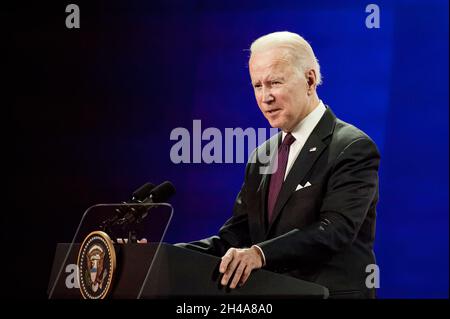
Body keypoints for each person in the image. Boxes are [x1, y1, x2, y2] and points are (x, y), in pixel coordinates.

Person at [177, 31, 380, 299]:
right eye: (257, 86)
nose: (265, 97)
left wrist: (260, 254)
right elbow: (235, 238)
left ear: (309, 80)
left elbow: (334, 229)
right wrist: (159, 255)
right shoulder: (262, 155)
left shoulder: (351, 147)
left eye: (274, 82)